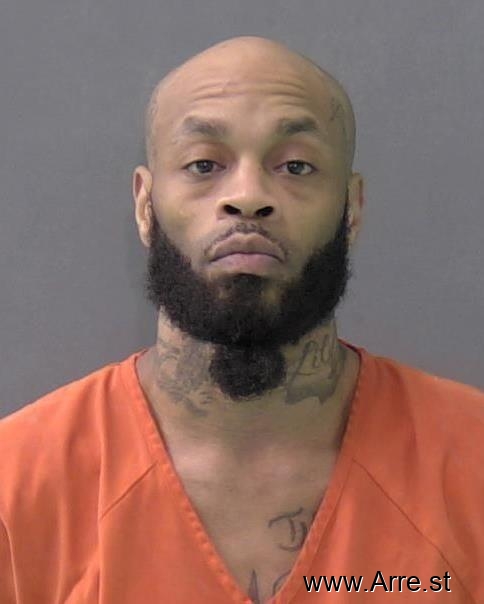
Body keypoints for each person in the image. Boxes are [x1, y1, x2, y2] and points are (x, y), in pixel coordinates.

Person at [0, 36, 482, 604]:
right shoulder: (16, 485)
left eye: (296, 166)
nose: (248, 197)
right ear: (145, 206)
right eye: (203, 164)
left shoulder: (471, 461)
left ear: (351, 209)